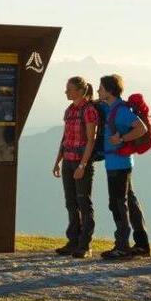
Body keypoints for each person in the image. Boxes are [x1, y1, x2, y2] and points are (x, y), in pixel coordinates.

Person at [97, 74, 151, 260]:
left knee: (117, 204)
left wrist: (121, 138)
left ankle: (122, 246)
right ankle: (142, 244)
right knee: (130, 202)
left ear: (110, 91)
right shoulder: (113, 107)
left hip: (118, 165)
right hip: (121, 163)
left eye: (101, 88)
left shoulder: (120, 111)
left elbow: (141, 128)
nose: (98, 91)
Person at [52, 76, 98, 258]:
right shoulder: (69, 110)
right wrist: (58, 161)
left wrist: (83, 165)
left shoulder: (89, 111)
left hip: (80, 162)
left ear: (80, 91)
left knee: (84, 203)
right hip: (68, 161)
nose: (66, 92)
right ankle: (73, 242)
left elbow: (91, 140)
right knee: (71, 202)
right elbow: (65, 138)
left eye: (69, 89)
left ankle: (85, 245)